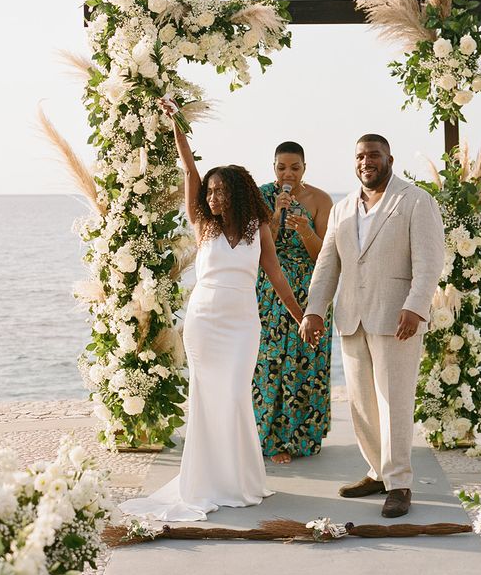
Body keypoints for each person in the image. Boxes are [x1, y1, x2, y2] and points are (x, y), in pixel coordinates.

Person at [120, 104, 304, 522]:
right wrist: (177, 125)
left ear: (238, 193)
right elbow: (189, 170)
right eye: (210, 191)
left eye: (221, 191)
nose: (213, 197)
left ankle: (237, 480)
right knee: (206, 400)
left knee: (235, 396)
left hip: (242, 324)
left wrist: (301, 317)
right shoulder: (202, 225)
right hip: (203, 322)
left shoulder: (259, 229)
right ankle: (207, 481)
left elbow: (276, 276)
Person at [300, 134, 444, 518]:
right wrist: (314, 310)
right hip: (352, 318)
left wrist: (415, 307)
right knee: (362, 404)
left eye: (374, 155)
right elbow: (327, 265)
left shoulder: (415, 200)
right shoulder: (342, 208)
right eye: (361, 156)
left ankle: (399, 484)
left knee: (394, 403)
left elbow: (430, 262)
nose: (367, 162)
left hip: (397, 319)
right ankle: (377, 472)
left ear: (389, 159)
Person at [253, 141, 333, 464]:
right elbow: (258, 248)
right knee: (270, 362)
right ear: (273, 167)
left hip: (309, 289)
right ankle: (270, 438)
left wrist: (305, 231)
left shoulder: (321, 200)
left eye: (295, 168)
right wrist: (275, 215)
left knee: (305, 361)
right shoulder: (260, 197)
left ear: (304, 168)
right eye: (281, 167)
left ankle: (301, 437)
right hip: (271, 290)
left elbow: (325, 257)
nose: (288, 173)